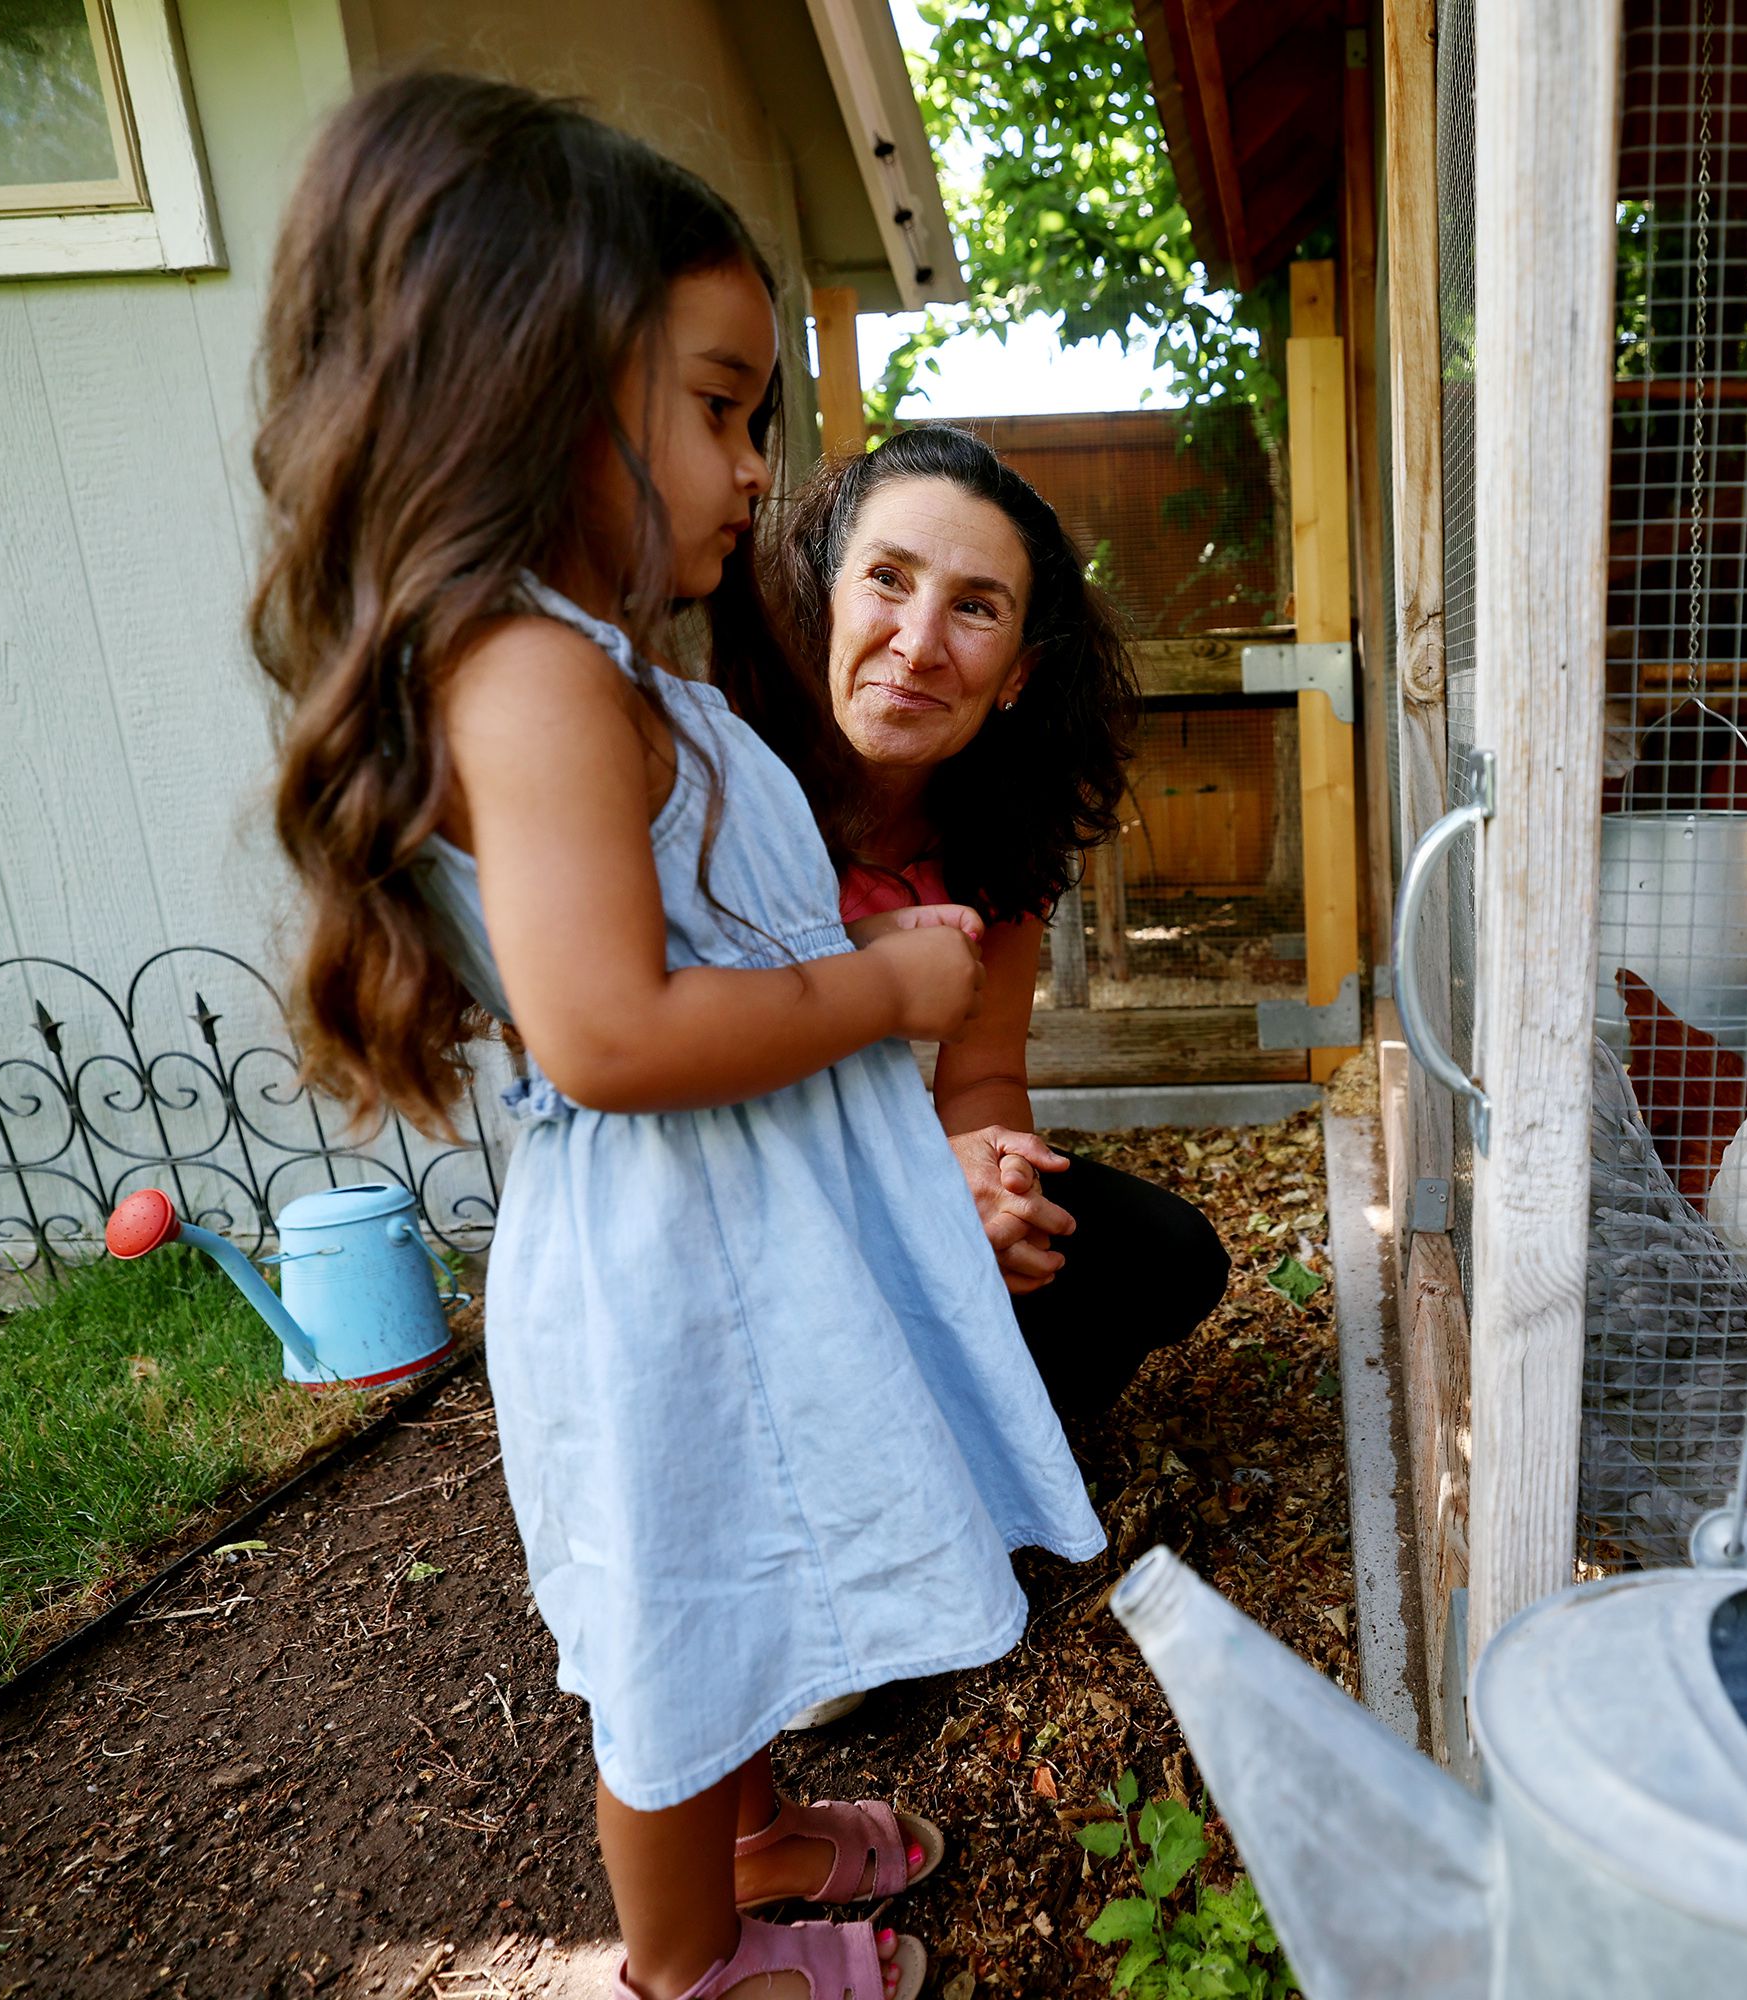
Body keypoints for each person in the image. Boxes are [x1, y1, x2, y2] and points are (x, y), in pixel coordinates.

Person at [248, 75, 1101, 2000]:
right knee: (678, 1625)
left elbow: (679, 958)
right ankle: (689, 1967)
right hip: (661, 1264)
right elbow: (612, 1034)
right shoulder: (533, 675)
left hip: (728, 1239)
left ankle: (757, 1833)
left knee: (746, 1562)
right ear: (536, 389)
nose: (752, 469)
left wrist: (879, 985)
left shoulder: (604, 666)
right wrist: (883, 990)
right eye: (720, 408)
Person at [712, 425, 1231, 1420]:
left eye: (975, 607)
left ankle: (997, 1460)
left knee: (1160, 1254)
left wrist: (996, 1191)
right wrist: (919, 1193)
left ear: (1019, 674)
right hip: (735, 1195)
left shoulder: (1007, 821)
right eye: (888, 578)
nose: (918, 644)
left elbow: (984, 1072)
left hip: (879, 1170)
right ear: (822, 597)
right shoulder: (728, 779)